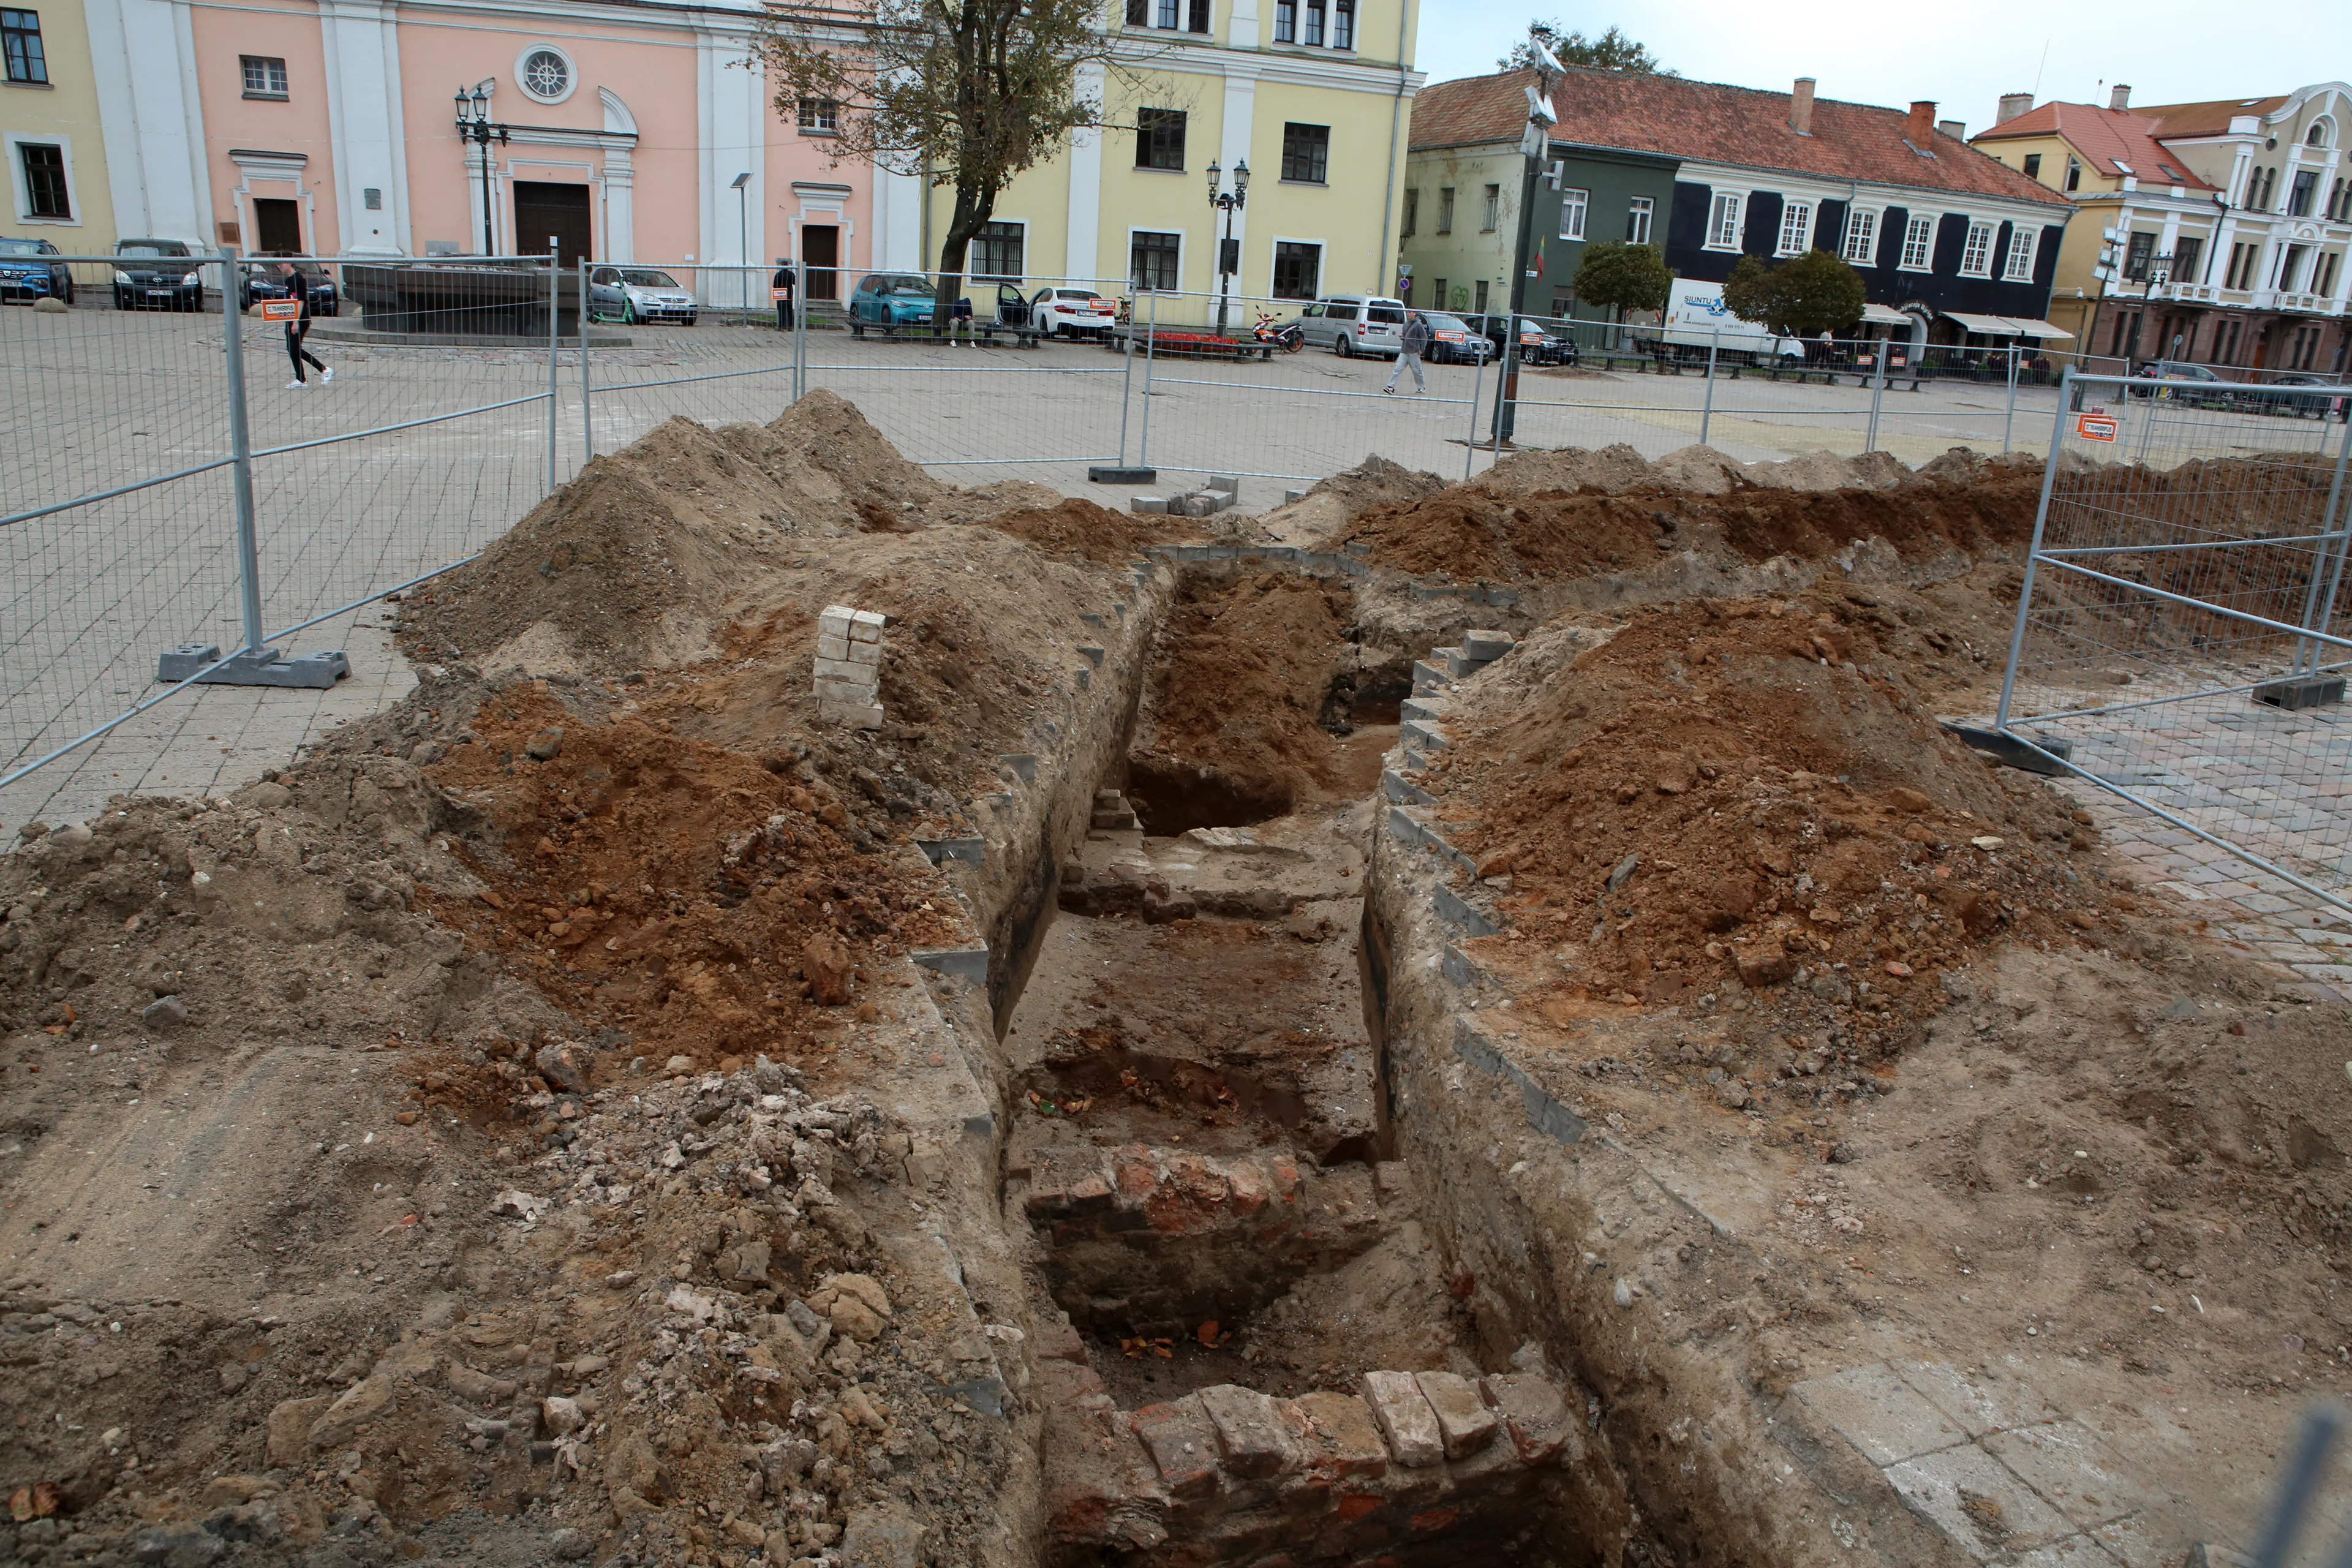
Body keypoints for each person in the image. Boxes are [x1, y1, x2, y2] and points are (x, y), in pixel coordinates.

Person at [279, 261, 330, 390]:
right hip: (291, 318)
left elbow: (300, 301)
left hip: (300, 319)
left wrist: (296, 321)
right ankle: (301, 380)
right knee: (292, 349)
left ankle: (324, 369)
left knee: (295, 348)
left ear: (289, 263)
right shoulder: (288, 280)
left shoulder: (299, 279)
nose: (279, 266)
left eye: (281, 263)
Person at [1385, 310, 1431, 395]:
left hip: (1414, 352)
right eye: (1408, 312)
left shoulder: (1418, 325)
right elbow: (1405, 335)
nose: (1408, 314)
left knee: (1417, 371)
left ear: (1415, 314)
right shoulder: (1406, 324)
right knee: (1397, 369)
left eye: (1410, 312)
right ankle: (1391, 387)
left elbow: (1424, 337)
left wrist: (1422, 349)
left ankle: (1421, 387)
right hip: (1404, 351)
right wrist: (1403, 337)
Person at [771, 258, 796, 331]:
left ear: (781, 266)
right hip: (789, 294)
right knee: (790, 310)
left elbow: (775, 285)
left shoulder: (778, 275)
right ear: (788, 266)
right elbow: (794, 283)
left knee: (781, 310)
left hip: (780, 294)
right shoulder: (791, 274)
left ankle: (781, 326)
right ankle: (791, 326)